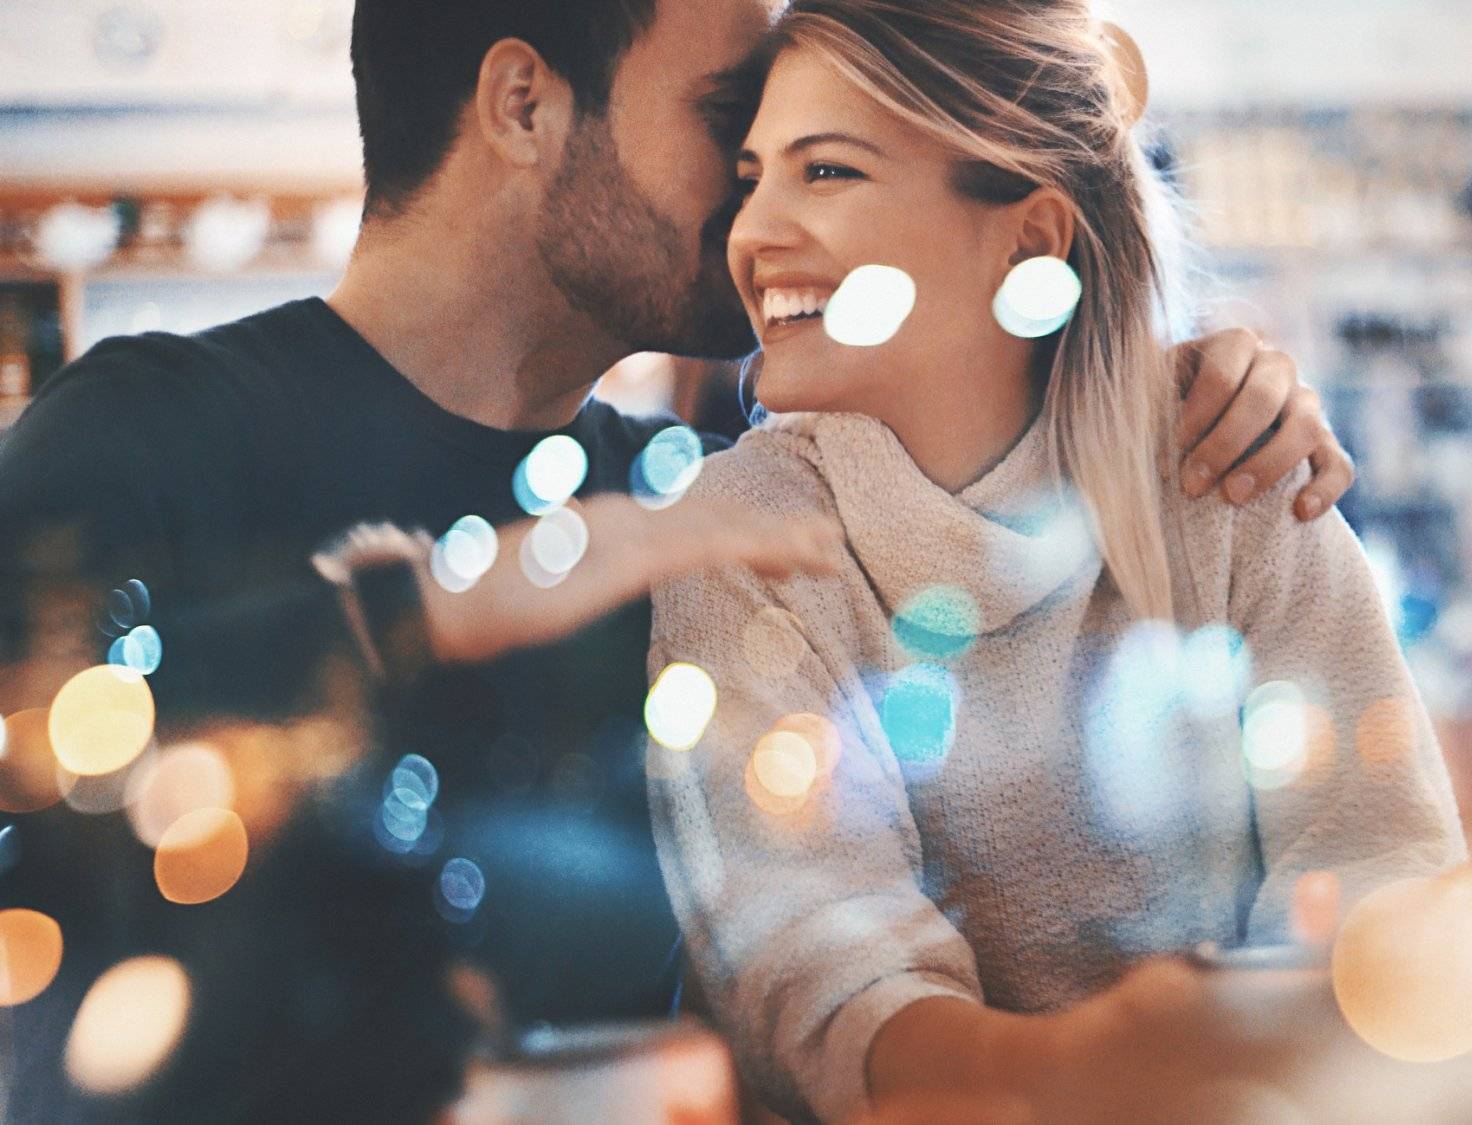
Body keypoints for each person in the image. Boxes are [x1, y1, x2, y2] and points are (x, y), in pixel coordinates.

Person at [0, 0, 1349, 1116]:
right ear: (525, 106)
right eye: (729, 123)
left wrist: (1183, 397)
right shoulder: (152, 426)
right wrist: (432, 610)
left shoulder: (703, 500)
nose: (759, 183)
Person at [645, 2, 1468, 1122]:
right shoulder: (738, 536)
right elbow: (817, 968)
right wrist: (1101, 1071)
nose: (754, 232)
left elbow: (1384, 875)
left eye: (825, 172)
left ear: (1028, 238)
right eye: (751, 179)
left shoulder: (1231, 477)